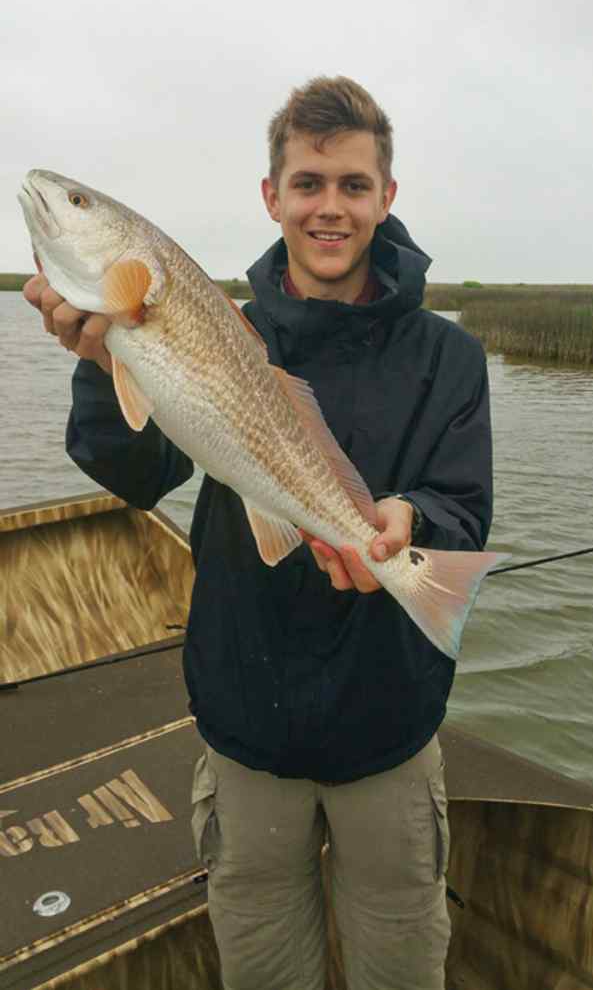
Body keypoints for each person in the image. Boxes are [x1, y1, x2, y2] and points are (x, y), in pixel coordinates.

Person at [23, 76, 493, 990]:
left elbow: (462, 503)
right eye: (308, 183)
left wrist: (414, 523)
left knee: (401, 971)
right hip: (246, 730)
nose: (330, 207)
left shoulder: (449, 355)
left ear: (386, 198)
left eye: (353, 185)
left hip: (388, 730)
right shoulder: (222, 322)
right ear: (271, 196)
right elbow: (136, 474)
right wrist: (102, 358)